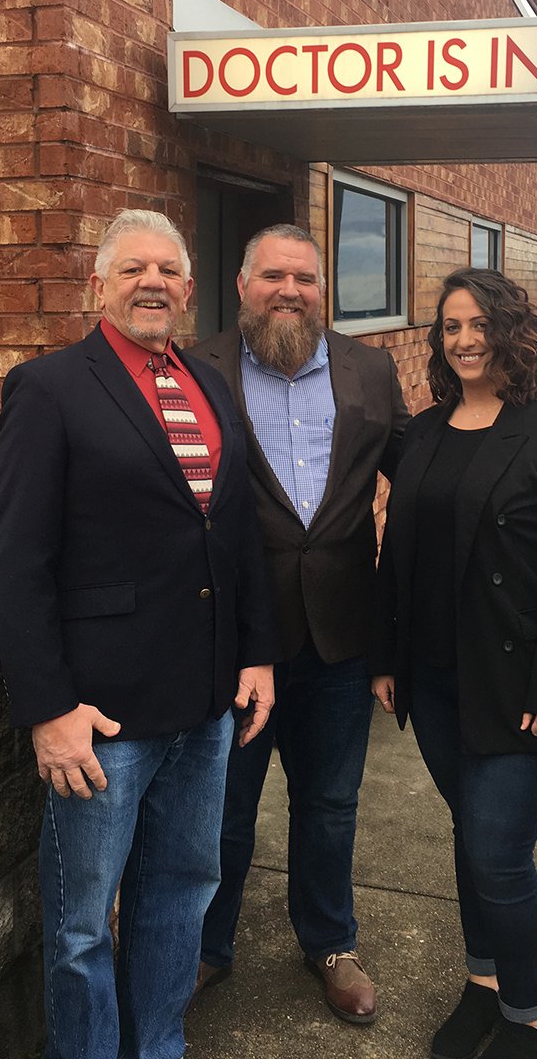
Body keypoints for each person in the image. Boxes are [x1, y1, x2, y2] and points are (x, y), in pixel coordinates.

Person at [0, 209, 279, 1059]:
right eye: (131, 269)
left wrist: (255, 649)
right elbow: (17, 560)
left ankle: (157, 1046)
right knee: (81, 924)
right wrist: (48, 707)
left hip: (206, 705)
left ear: (189, 289)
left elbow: (233, 532)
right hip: (99, 716)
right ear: (98, 285)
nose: (152, 282)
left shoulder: (209, 384)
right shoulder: (48, 387)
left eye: (167, 270)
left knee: (181, 894)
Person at [370, 267, 537, 1059]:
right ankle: (483, 985)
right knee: (470, 837)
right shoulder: (427, 433)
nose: (464, 340)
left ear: (508, 330)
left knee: (500, 854)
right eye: (450, 327)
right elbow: (399, 553)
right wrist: (386, 655)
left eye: (478, 325)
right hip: (436, 682)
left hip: (523, 688)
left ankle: (528, 1014)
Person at [187, 223, 410, 1024]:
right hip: (234, 638)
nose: (290, 290)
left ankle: (330, 941)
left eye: (305, 278)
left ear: (325, 289)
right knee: (222, 807)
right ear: (242, 285)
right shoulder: (195, 368)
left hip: (341, 639)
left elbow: (420, 484)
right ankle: (207, 947)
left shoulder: (371, 370)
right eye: (273, 275)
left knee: (330, 803)